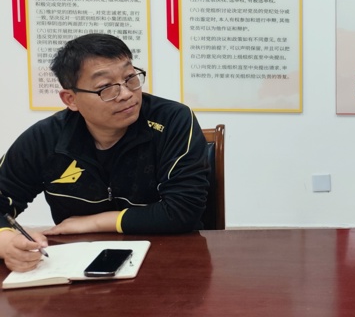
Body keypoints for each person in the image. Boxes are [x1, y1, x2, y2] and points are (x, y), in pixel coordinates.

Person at [0, 33, 209, 272]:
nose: (126, 94)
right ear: (71, 99)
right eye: (106, 87)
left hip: (170, 262)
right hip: (79, 266)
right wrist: (7, 243)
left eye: (130, 78)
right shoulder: (46, 139)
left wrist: (93, 222)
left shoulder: (172, 120)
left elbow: (183, 210)